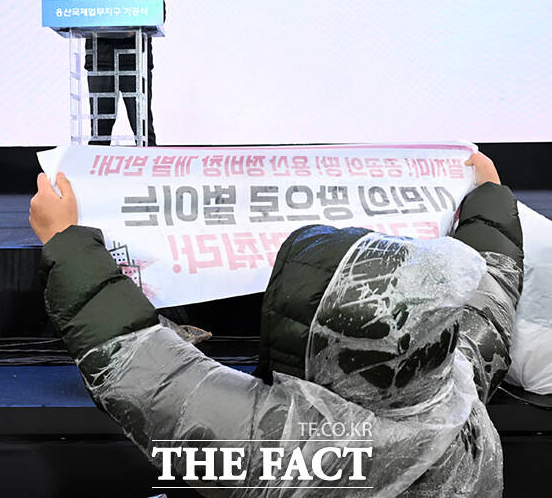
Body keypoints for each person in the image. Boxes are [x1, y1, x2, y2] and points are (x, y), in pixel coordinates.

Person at [30, 152, 523, 496]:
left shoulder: (290, 447)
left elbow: (145, 373)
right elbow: (491, 293)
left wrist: (65, 239)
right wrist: (488, 197)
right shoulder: (456, 384)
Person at [73, 0, 163, 146]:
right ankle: (94, 167)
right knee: (100, 129)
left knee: (142, 126)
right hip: (100, 60)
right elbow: (74, 13)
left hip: (134, 61)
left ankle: (149, 165)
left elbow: (159, 13)